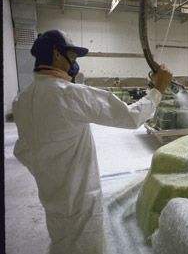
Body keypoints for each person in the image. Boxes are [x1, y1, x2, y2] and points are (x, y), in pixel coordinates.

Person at [12, 29, 172, 254]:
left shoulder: (21, 101)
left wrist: (50, 169)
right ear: (57, 54)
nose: (74, 63)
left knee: (60, 245)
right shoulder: (70, 95)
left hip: (52, 200)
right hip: (81, 203)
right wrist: (159, 89)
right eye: (73, 56)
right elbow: (130, 116)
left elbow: (22, 150)